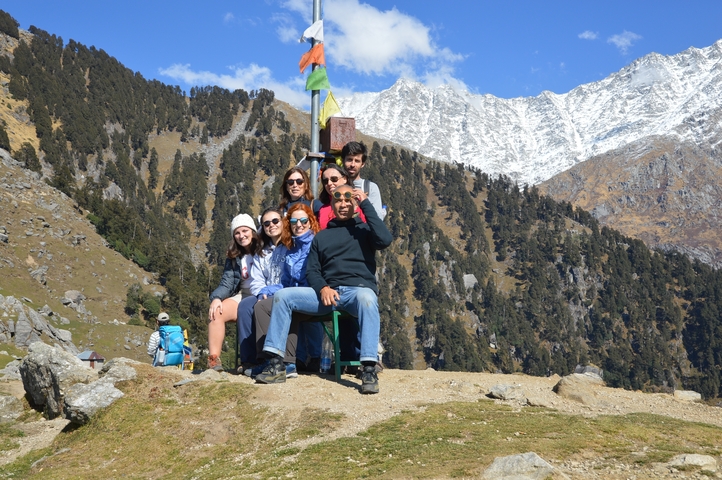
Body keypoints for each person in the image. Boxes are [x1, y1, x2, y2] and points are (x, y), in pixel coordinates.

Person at [255, 184, 393, 394]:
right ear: (333, 204)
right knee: (283, 296)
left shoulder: (365, 231)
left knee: (368, 298)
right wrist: (323, 288)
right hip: (326, 294)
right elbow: (313, 271)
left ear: (355, 204)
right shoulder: (322, 237)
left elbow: (385, 239)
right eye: (338, 200)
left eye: (349, 200)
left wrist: (365, 202)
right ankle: (276, 363)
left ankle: (368, 368)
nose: (343, 204)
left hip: (357, 292)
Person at [250, 203, 323, 377]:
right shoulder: (291, 249)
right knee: (261, 305)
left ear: (311, 221)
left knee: (286, 300)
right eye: (294, 221)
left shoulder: (317, 244)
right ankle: (266, 359)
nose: (299, 224)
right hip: (293, 295)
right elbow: (286, 282)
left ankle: (288, 362)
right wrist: (267, 290)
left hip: (315, 296)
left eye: (303, 220)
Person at [207, 213, 262, 371]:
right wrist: (217, 298)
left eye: (245, 231)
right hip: (242, 294)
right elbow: (227, 281)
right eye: (237, 233)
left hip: (261, 293)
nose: (241, 235)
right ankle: (214, 360)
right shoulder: (234, 255)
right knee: (216, 311)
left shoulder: (263, 249)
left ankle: (255, 360)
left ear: (252, 231)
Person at [236, 207, 284, 373]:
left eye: (275, 221)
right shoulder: (262, 252)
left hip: (284, 293)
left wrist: (270, 292)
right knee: (244, 306)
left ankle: (267, 358)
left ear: (283, 222)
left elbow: (293, 279)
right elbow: (256, 279)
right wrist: (261, 293)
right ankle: (249, 360)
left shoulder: (291, 246)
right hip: (264, 294)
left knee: (261, 307)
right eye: (266, 223)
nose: (271, 225)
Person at [341, 141, 386, 220]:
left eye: (357, 161)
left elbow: (378, 218)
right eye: (349, 160)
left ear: (363, 164)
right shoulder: (336, 185)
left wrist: (364, 202)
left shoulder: (370, 187)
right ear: (343, 160)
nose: (352, 164)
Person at [317, 163, 366, 229]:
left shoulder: (357, 204)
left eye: (334, 179)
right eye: (325, 181)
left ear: (344, 179)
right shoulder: (322, 209)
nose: (329, 183)